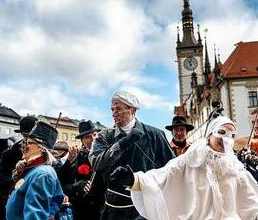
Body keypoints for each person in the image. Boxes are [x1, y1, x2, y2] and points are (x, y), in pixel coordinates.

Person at [111, 115, 258, 219]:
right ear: (209, 135)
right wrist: (134, 180)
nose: (226, 139)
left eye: (231, 135)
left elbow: (250, 200)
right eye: (221, 132)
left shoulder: (235, 168)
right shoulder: (191, 160)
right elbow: (164, 176)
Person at [89, 91, 175, 220]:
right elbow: (96, 163)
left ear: (133, 110)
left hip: (147, 207)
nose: (113, 113)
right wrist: (123, 143)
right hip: (114, 209)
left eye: (118, 109)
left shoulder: (155, 135)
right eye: (112, 109)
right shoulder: (105, 136)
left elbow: (171, 169)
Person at [6, 121, 64, 219]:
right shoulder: (34, 170)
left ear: (41, 148)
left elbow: (35, 215)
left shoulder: (42, 174)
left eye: (29, 142)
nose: (24, 145)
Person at [60, 120, 104, 220]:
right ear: (82, 140)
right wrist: (77, 186)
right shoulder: (77, 156)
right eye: (88, 137)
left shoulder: (104, 155)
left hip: (101, 207)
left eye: (94, 135)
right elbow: (63, 185)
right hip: (81, 209)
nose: (93, 139)